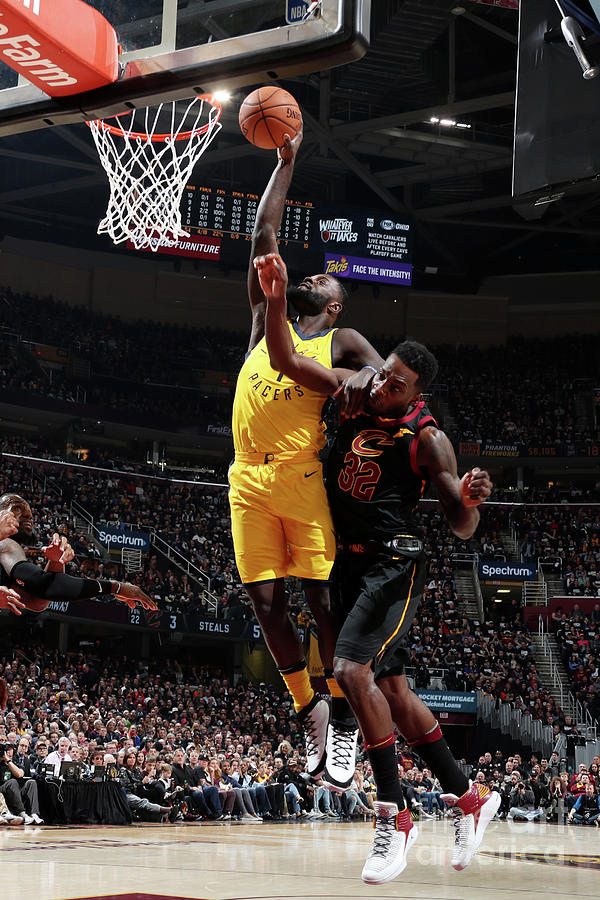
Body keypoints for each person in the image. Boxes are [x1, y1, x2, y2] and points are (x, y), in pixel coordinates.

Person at [256, 250, 499, 884]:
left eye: (396, 383)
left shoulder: (428, 439)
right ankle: (470, 799)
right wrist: (276, 300)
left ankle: (393, 817)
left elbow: (460, 523)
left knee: (347, 670)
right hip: (346, 558)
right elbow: (284, 359)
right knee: (391, 690)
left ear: (419, 394)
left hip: (393, 564)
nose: (384, 385)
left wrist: (470, 502)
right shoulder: (352, 389)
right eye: (384, 372)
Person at [228, 128, 383, 790]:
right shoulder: (268, 322)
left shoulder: (339, 339)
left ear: (336, 304)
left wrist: (364, 393)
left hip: (300, 478)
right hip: (246, 478)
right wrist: (286, 162)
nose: (313, 275)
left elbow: (386, 381)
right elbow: (265, 234)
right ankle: (312, 711)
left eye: (325, 278)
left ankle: (345, 712)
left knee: (322, 603)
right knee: (265, 604)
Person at [0, 494, 155, 615]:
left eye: (29, 512)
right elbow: (43, 585)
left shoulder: (7, 550)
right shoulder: (6, 543)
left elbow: (36, 602)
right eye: (18, 508)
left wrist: (56, 562)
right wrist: (116, 587)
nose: (28, 515)